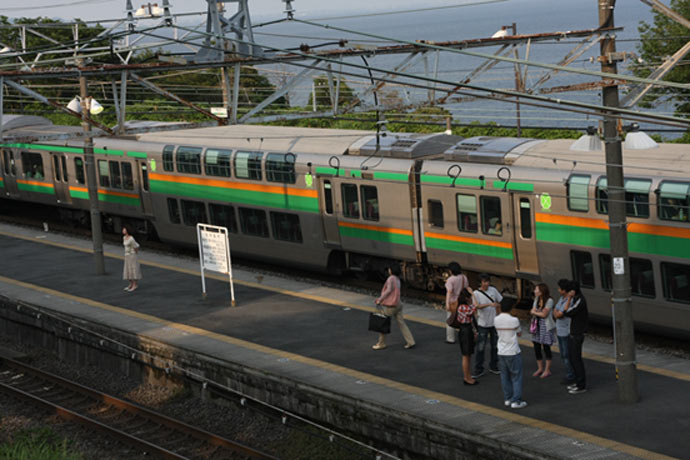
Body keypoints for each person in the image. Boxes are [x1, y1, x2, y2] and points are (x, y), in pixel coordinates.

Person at [373, 265, 415, 350]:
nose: (388, 270)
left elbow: (388, 290)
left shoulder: (391, 278)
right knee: (401, 323)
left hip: (390, 305)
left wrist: (380, 299)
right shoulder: (397, 279)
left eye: (389, 268)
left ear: (391, 270)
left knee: (383, 323)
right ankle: (410, 341)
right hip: (398, 304)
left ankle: (381, 343)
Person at [494, 298, 526, 409]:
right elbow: (520, 333)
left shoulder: (496, 319)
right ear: (511, 308)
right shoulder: (514, 320)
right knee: (516, 376)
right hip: (513, 351)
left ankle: (508, 398)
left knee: (504, 376)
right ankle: (516, 401)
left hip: (501, 351)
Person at [472, 273, 502, 378]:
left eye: (488, 281)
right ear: (480, 283)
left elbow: (499, 301)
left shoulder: (493, 290)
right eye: (484, 282)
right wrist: (489, 304)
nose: (486, 284)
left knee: (495, 346)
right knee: (481, 347)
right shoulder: (476, 293)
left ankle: (494, 366)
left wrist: (499, 316)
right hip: (482, 324)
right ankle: (478, 368)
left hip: (493, 323)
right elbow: (477, 306)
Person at [562, 281, 588, 394]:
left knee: (576, 359)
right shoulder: (577, 299)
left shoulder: (580, 300)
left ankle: (581, 385)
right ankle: (578, 382)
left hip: (578, 333)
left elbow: (567, 312)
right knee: (574, 358)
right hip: (575, 332)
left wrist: (568, 299)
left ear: (573, 291)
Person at [552, 279, 576, 385]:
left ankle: (571, 376)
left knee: (566, 355)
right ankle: (570, 374)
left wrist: (557, 312)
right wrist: (557, 312)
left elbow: (559, 314)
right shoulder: (562, 298)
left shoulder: (569, 301)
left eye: (559, 288)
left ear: (564, 290)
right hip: (560, 330)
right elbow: (555, 312)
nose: (558, 290)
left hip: (566, 331)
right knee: (563, 354)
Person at [529, 283, 555, 378]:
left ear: (541, 291)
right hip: (537, 326)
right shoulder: (536, 299)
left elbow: (544, 315)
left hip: (546, 326)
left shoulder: (549, 300)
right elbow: (534, 311)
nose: (534, 291)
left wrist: (535, 312)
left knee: (546, 347)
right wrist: (537, 312)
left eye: (536, 289)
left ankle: (547, 370)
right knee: (536, 347)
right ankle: (540, 368)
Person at [454, 288, 478, 385]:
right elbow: (475, 306)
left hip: (465, 330)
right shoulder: (464, 307)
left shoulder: (460, 307)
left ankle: (468, 375)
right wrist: (473, 294)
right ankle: (466, 377)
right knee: (466, 355)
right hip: (466, 331)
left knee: (467, 355)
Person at [445, 261, 469, 344]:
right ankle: (463, 336)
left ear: (451, 271)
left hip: (453, 302)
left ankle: (450, 338)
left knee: (451, 319)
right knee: (461, 319)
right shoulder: (464, 277)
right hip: (462, 301)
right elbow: (466, 288)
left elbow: (449, 292)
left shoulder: (450, 280)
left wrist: (447, 304)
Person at [122, 225, 142, 292]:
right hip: (127, 255)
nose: (123, 230)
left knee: (133, 269)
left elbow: (136, 247)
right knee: (127, 270)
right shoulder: (124, 237)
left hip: (132, 255)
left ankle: (135, 285)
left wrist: (134, 253)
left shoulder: (131, 238)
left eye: (124, 229)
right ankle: (130, 284)